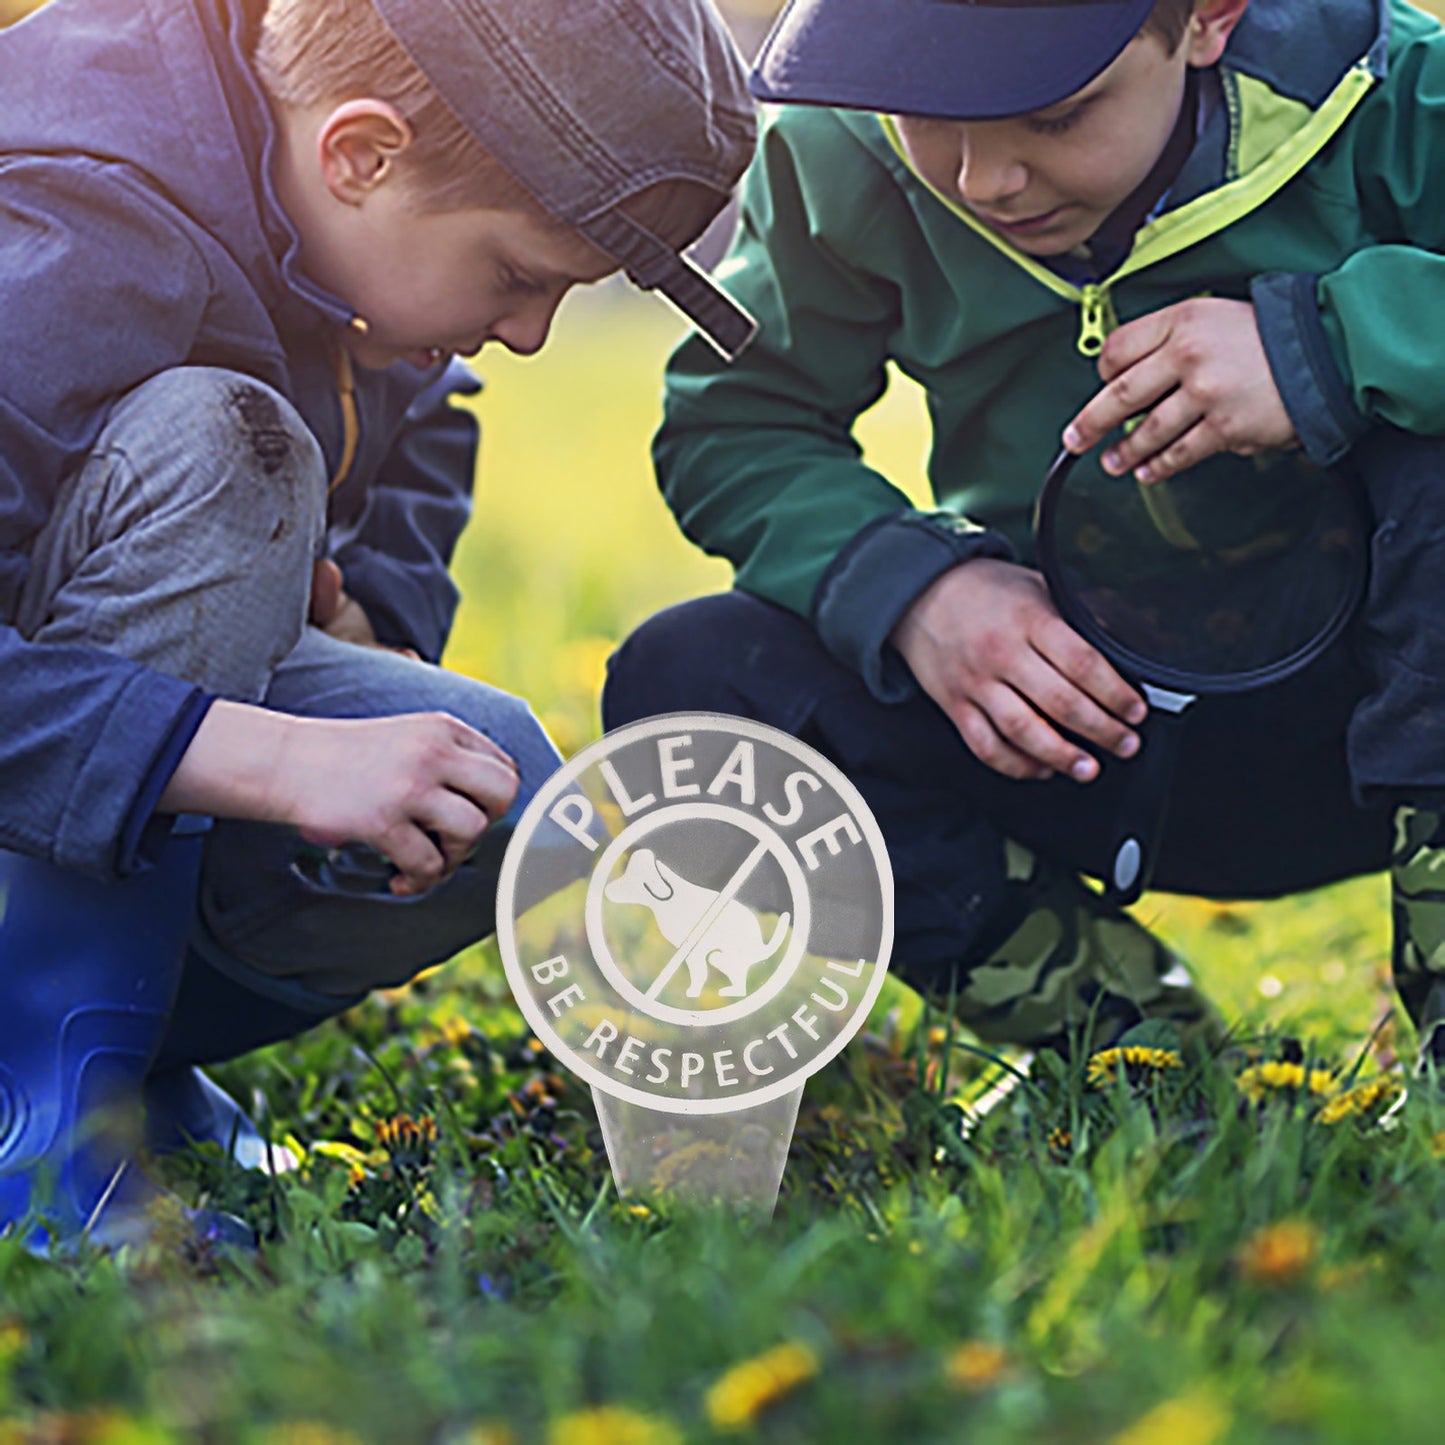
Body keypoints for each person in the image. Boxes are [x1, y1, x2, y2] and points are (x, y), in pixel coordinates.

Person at [0, 0, 757, 1247]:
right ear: (360, 152)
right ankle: (37, 1121)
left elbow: (424, 411)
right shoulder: (76, 220)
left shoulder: (320, 205)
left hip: (78, 750)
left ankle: (121, 1070)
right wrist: (278, 758)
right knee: (222, 449)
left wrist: (372, 616)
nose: (529, 333)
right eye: (517, 276)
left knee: (487, 785)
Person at [604, 0, 1445, 1074]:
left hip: (1389, 707)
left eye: (1052, 117)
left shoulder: (1399, 98)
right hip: (1081, 724)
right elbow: (736, 423)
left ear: (1207, 18)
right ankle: (1136, 1050)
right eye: (926, 115)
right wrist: (918, 592)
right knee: (692, 686)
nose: (983, 179)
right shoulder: (839, 148)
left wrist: (1331, 347)